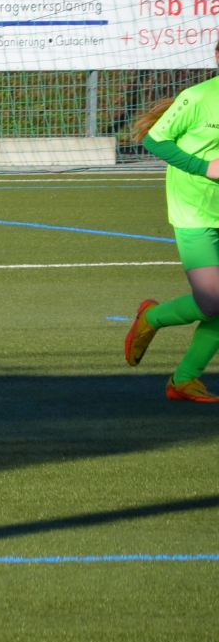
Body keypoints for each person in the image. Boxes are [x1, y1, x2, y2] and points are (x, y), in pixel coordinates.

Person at [123, 45, 219, 401]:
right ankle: (151, 318)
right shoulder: (198, 97)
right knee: (211, 302)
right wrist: (204, 167)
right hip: (194, 209)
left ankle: (183, 380)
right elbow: (155, 140)